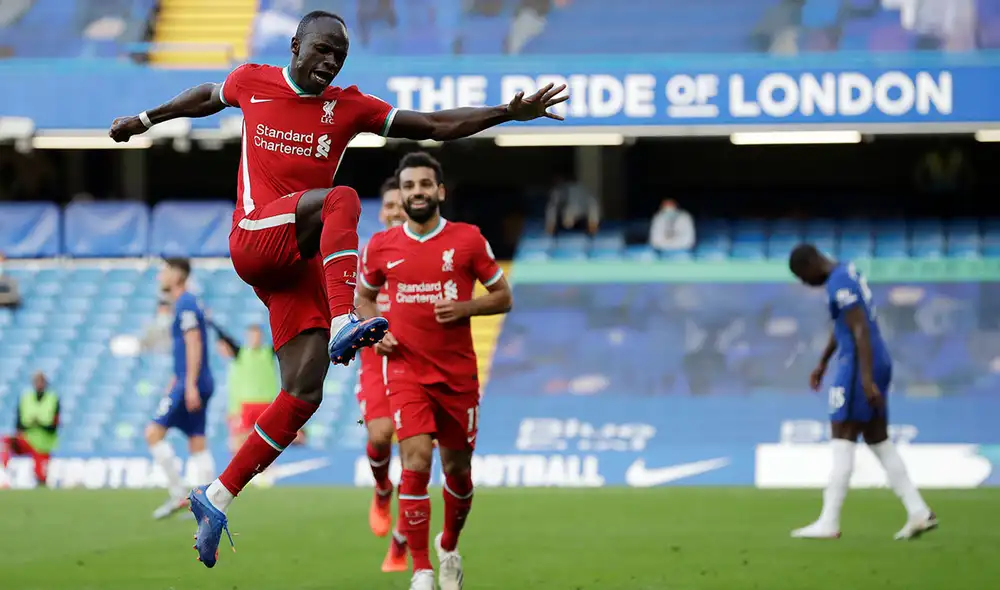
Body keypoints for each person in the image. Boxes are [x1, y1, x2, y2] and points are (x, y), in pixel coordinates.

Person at [108, 9, 566, 567]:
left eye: (339, 57)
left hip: (295, 265)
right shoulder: (253, 80)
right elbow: (208, 94)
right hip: (255, 237)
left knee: (304, 392)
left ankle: (216, 495)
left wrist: (505, 113)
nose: (329, 63)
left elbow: (436, 127)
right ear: (296, 44)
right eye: (321, 50)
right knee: (343, 199)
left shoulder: (348, 107)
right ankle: (347, 319)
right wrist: (144, 117)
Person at [357, 152, 513, 590]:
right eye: (409, 186)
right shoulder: (381, 247)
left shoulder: (467, 240)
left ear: (440, 191)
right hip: (405, 371)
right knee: (416, 460)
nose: (417, 192)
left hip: (458, 377)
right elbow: (363, 297)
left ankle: (448, 545)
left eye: (425, 184)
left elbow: (503, 296)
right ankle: (422, 569)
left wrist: (467, 306)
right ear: (401, 194)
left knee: (458, 471)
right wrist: (373, 329)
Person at [788, 244, 937, 541]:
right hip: (874, 359)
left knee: (842, 435)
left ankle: (828, 521)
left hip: (858, 363)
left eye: (803, 276)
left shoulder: (838, 282)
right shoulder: (848, 271)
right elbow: (846, 323)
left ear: (811, 264)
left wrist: (866, 380)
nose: (805, 283)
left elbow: (859, 330)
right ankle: (918, 511)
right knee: (878, 439)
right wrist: (822, 362)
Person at [357, 177, 407, 545]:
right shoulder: (369, 252)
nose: (394, 212)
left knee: (415, 450)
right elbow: (354, 300)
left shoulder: (429, 250)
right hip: (377, 357)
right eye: (389, 206)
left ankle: (404, 539)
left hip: (418, 358)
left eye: (400, 205)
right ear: (381, 212)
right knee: (380, 434)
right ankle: (381, 487)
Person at [149, 258, 216, 521]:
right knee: (197, 441)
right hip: (193, 379)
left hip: (192, 381)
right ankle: (210, 503)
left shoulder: (186, 302)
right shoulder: (188, 302)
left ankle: (178, 493)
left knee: (153, 433)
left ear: (177, 275)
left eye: (163, 271)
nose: (159, 276)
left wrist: (188, 384)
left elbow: (194, 341)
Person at [214, 324, 281, 452]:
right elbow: (225, 337)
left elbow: (283, 339)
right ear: (247, 337)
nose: (255, 338)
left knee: (267, 440)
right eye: (252, 335)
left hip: (265, 403)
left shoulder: (267, 353)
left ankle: (265, 469)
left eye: (258, 335)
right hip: (244, 404)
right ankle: (237, 469)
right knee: (238, 440)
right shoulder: (240, 353)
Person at [1, 372, 59, 487]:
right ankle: (2, 474)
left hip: (43, 445)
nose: (39, 384)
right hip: (27, 440)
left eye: (41, 381)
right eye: (36, 381)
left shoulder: (53, 399)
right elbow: (18, 422)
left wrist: (37, 423)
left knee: (41, 478)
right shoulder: (26, 398)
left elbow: (54, 425)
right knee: (5, 441)